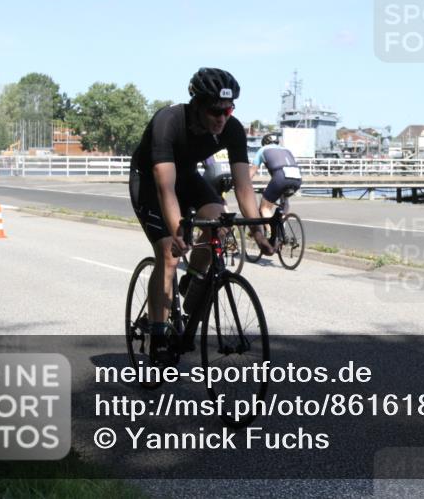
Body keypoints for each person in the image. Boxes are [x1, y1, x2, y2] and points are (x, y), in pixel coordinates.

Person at [129, 68, 273, 364]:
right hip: (151, 183)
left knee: (218, 223)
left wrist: (258, 231)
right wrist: (179, 234)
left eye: (229, 109)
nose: (222, 118)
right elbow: (165, 188)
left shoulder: (231, 129)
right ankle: (158, 337)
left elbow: (244, 187)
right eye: (215, 111)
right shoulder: (167, 122)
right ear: (196, 104)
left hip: (187, 177)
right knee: (169, 255)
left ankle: (193, 281)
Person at [249, 133, 302, 218]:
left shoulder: (263, 150)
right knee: (284, 199)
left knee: (264, 208)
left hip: (280, 177)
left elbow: (252, 172)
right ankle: (281, 227)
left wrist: (245, 184)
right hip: (297, 179)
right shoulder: (287, 150)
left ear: (265, 143)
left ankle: (272, 231)